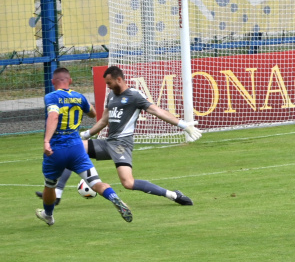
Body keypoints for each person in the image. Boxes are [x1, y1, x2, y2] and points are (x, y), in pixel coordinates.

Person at [38, 66, 202, 207]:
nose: (108, 87)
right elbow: (103, 120)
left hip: (122, 145)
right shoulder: (111, 96)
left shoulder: (134, 96)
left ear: (119, 79)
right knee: (73, 148)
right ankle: (57, 193)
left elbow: (157, 111)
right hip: (108, 142)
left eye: (109, 83)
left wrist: (183, 125)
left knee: (128, 183)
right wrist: (87, 134)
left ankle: (173, 195)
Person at [36, 67, 132, 225]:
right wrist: (81, 104)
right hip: (77, 148)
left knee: (49, 185)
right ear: (70, 81)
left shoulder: (51, 97)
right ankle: (113, 197)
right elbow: (93, 114)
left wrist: (46, 141)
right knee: (95, 182)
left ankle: (48, 215)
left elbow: (53, 116)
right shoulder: (79, 97)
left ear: (53, 81)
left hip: (56, 150)